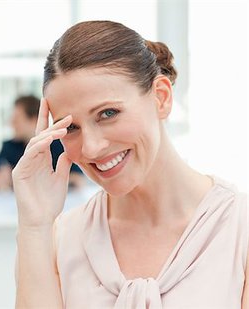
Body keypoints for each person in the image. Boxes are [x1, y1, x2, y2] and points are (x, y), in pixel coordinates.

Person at [13, 21, 248, 308]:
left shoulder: (239, 229)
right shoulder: (58, 238)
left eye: (107, 113)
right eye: (71, 128)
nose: (91, 147)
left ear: (161, 97)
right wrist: (34, 224)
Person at [0, 95, 85, 191]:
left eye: (17, 119)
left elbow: (77, 180)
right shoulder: (8, 147)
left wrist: (21, 180)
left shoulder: (60, 145)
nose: (11, 123)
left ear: (34, 120)